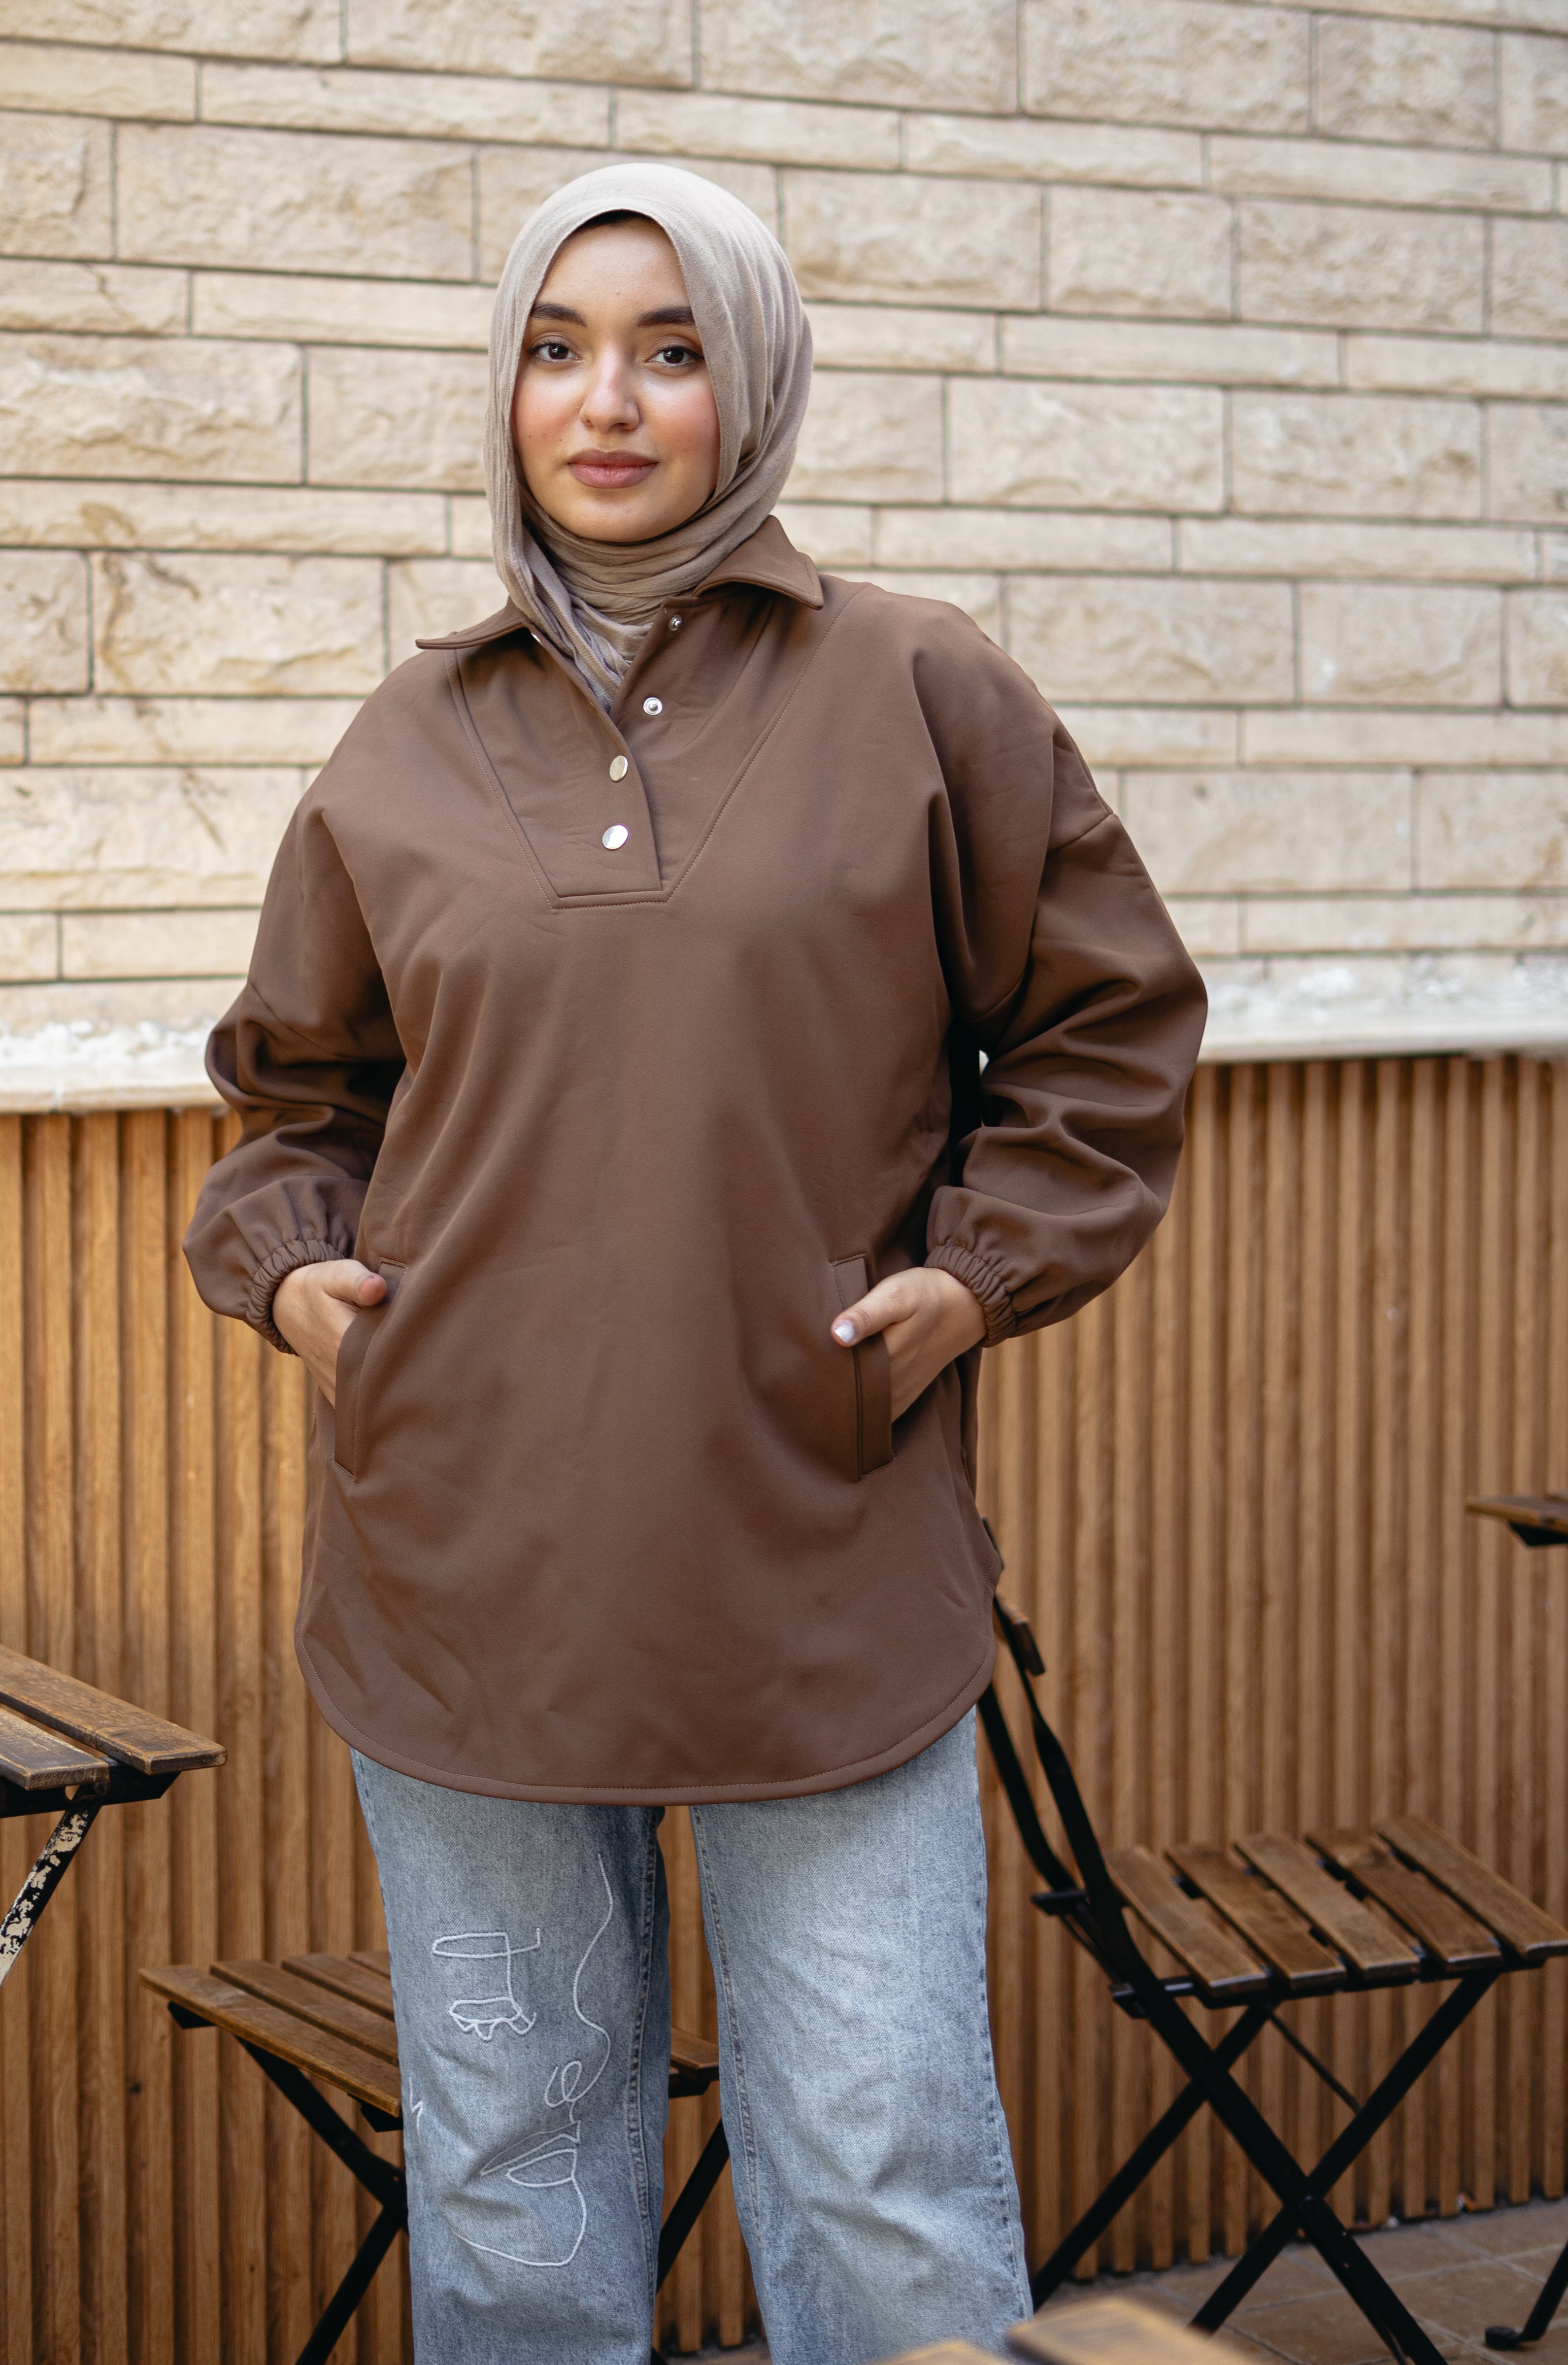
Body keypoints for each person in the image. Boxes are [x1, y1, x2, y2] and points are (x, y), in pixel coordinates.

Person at [185, 163, 1206, 2365]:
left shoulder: (923, 688)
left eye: (670, 345)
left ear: (754, 378)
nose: (608, 400)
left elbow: (1110, 1032)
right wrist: (297, 1279)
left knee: (884, 2172)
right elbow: (295, 1100)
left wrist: (975, 1272)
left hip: (813, 1544)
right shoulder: (408, 734)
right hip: (466, 1565)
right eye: (556, 348)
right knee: (519, 2190)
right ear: (505, 394)